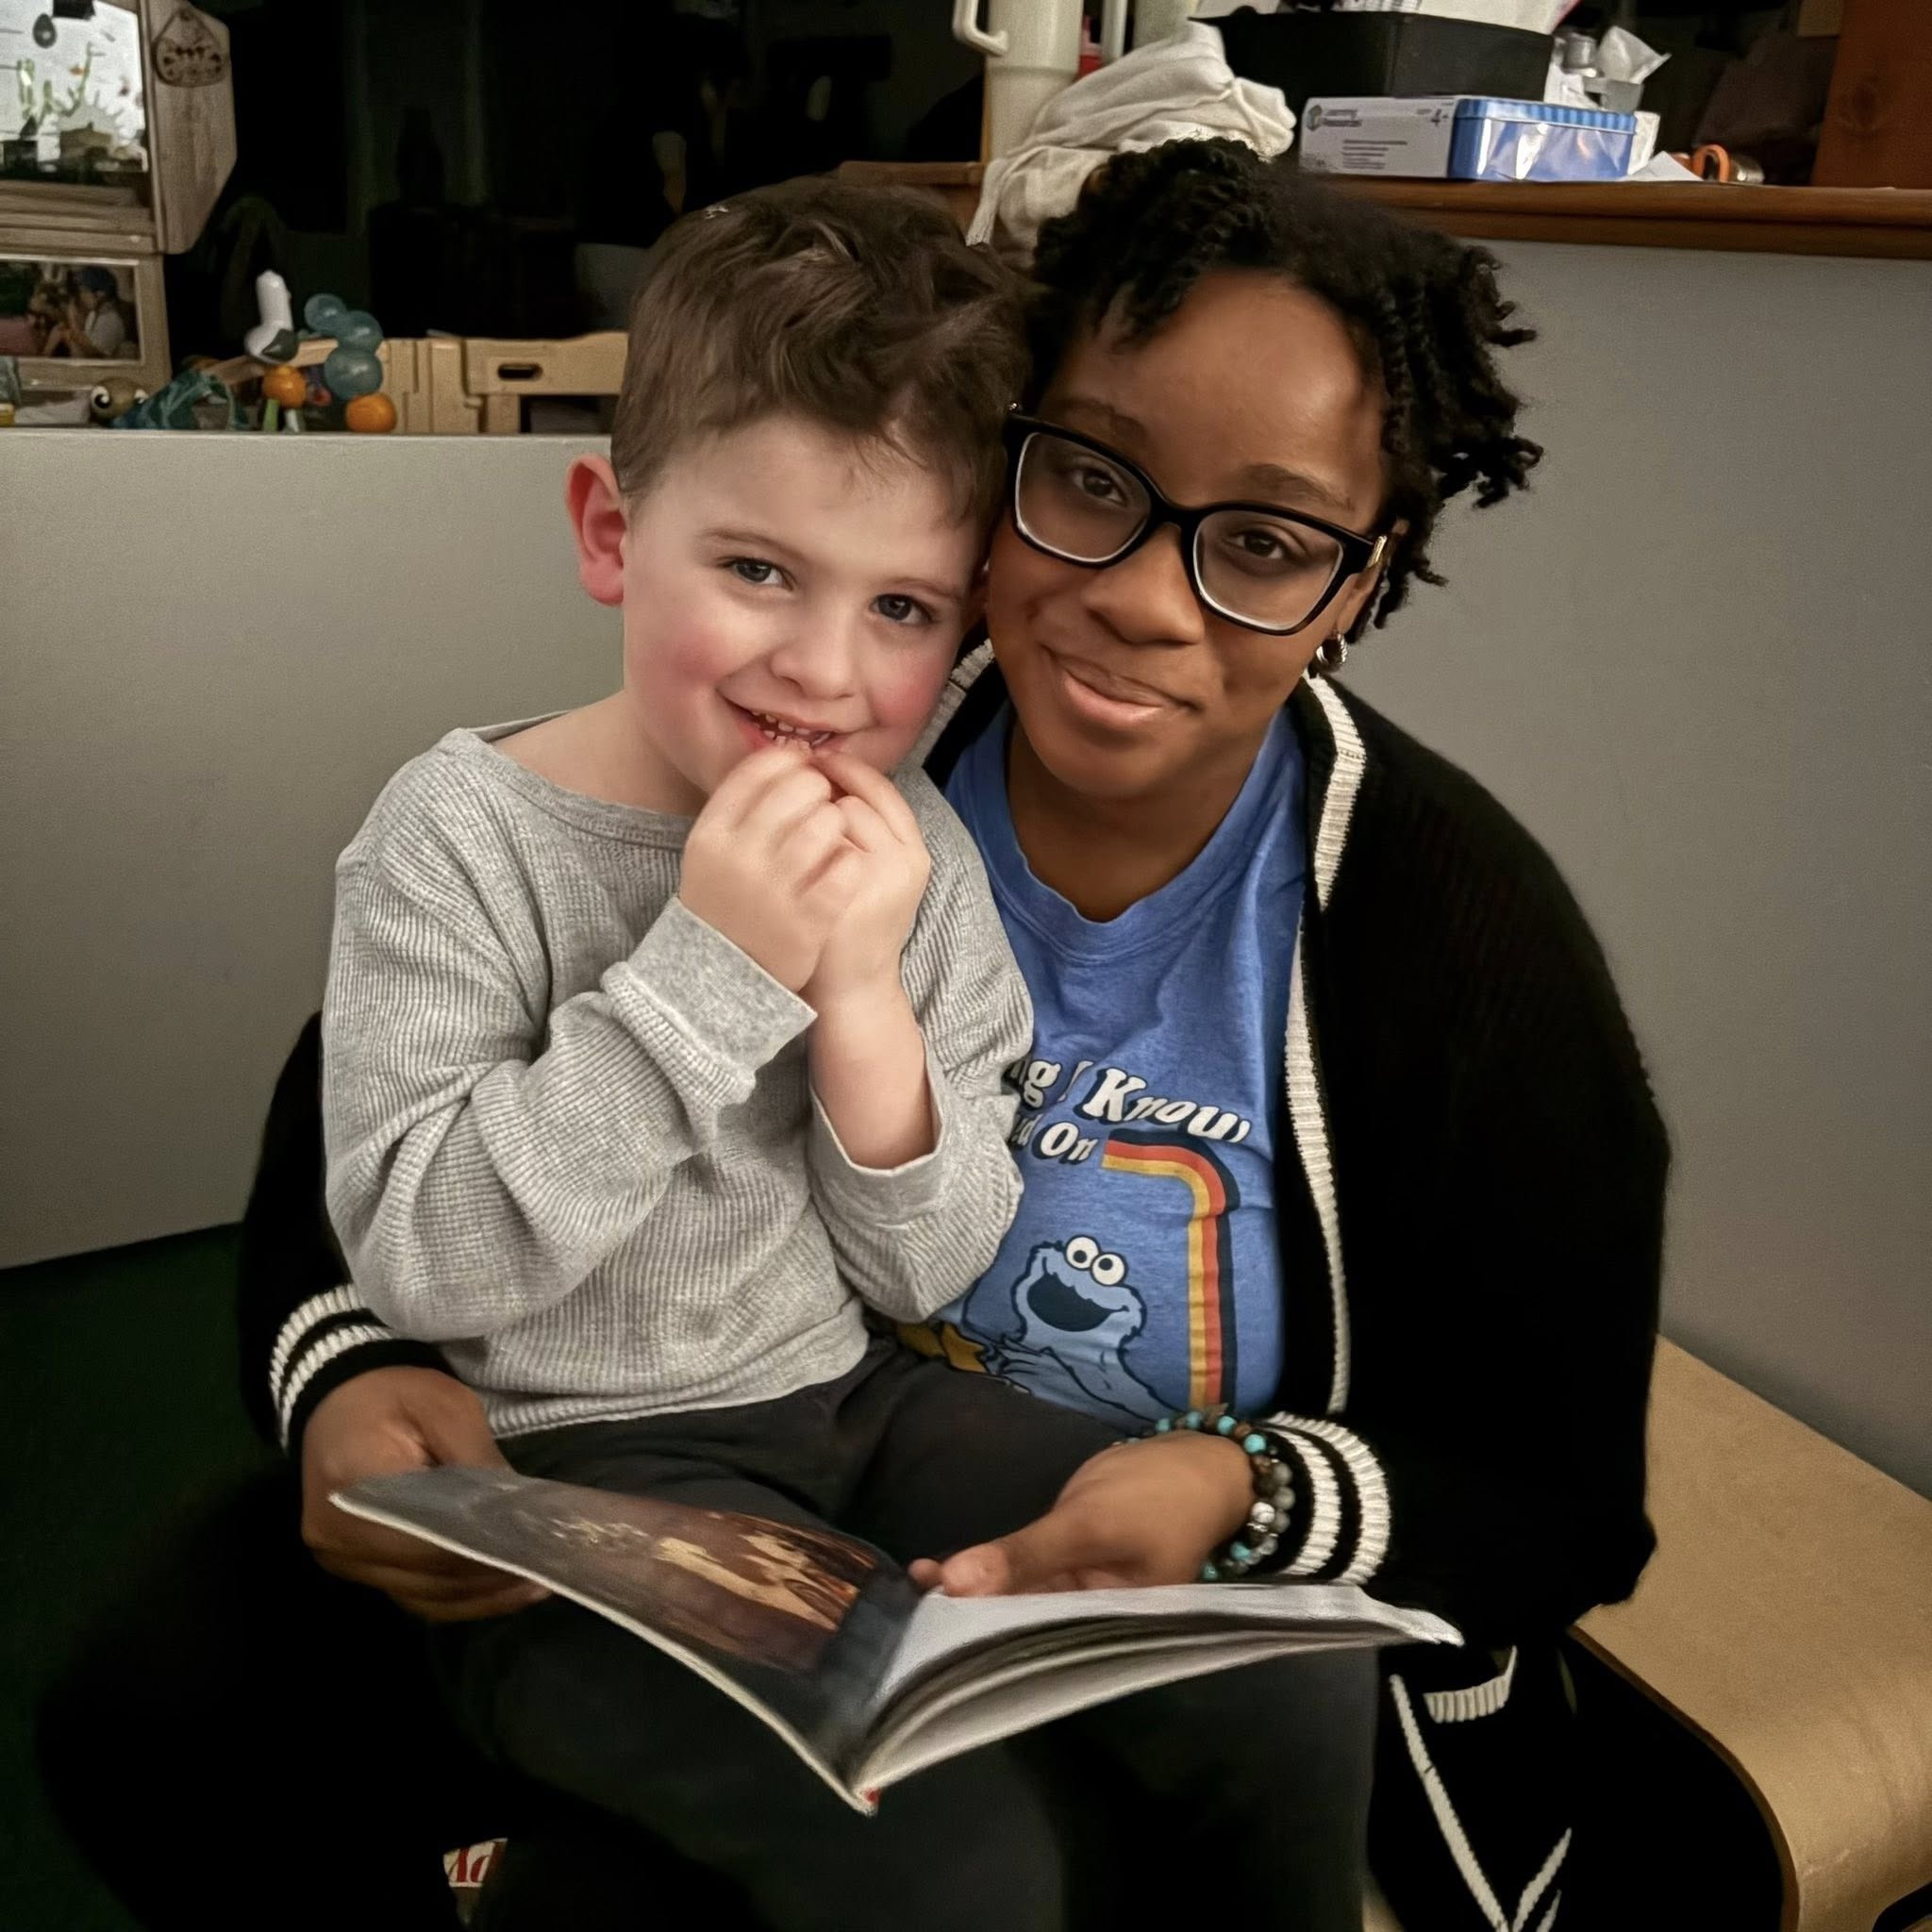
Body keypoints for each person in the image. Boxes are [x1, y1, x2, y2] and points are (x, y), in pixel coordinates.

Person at [40, 141, 1666, 1932]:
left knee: (1251, 1702)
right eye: (1094, 483)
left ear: (1359, 583)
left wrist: (1241, 1483)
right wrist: (342, 1360)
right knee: (186, 1707)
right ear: (1009, 492)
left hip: (919, 1453)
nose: (1136, 594)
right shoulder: (827, 743)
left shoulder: (1438, 926)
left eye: (1267, 541)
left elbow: (1562, 1497)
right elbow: (365, 1138)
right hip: (608, 1469)